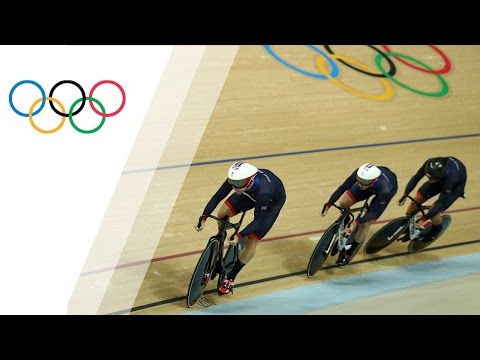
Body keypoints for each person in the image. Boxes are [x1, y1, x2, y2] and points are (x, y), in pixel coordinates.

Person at [194, 161, 286, 295]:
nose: (234, 186)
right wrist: (204, 216)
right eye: (232, 182)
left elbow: (259, 220)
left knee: (251, 240)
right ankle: (221, 237)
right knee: (222, 214)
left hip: (270, 202)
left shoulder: (264, 191)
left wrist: (239, 235)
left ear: (250, 180)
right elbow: (217, 196)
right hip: (249, 193)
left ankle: (231, 277)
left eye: (237, 183)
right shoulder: (238, 180)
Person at [321, 163, 398, 267]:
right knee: (343, 203)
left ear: (373, 180)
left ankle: (348, 255)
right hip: (371, 185)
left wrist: (356, 223)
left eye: (364, 182)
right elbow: (344, 186)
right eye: (359, 180)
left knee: (365, 224)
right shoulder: (362, 176)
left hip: (384, 190)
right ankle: (347, 218)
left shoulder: (385, 189)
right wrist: (329, 203)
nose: (360, 183)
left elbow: (374, 212)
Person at [397, 156, 467, 241]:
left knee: (433, 211)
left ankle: (435, 230)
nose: (429, 180)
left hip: (453, 189)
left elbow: (441, 202)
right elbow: (416, 178)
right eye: (428, 177)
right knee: (417, 200)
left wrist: (424, 219)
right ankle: (408, 224)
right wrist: (405, 194)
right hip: (439, 180)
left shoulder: (452, 179)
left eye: (431, 178)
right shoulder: (429, 164)